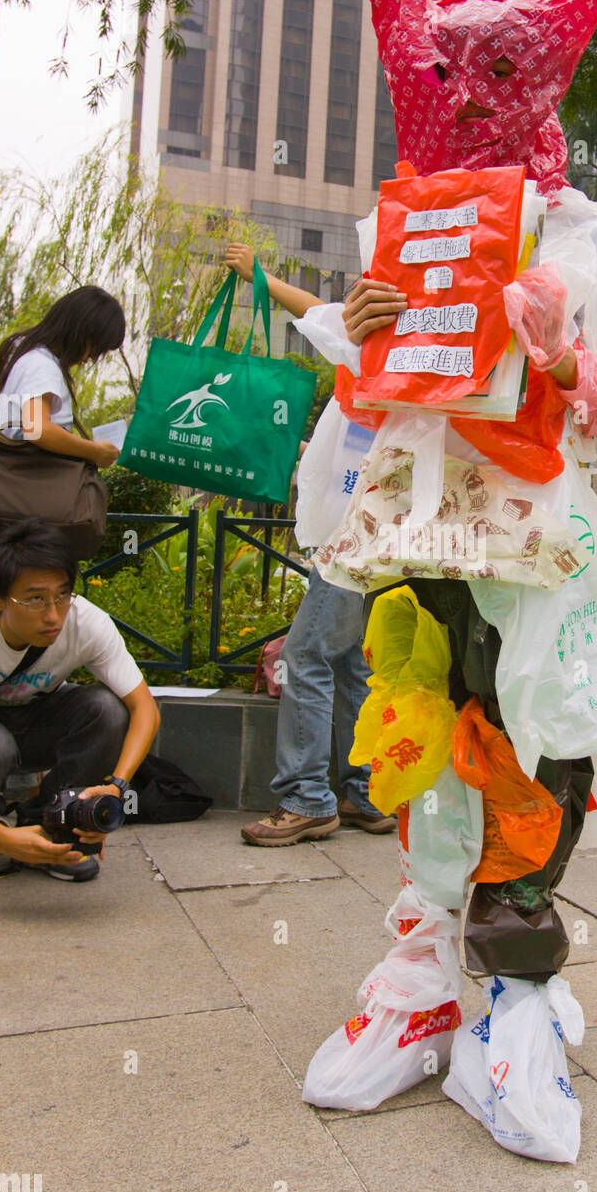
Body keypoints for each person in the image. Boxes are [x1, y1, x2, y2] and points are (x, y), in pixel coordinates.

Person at [295, 0, 597, 1159]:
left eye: (490, 70)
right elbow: (376, 388)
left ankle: (513, 980)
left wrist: (557, 345)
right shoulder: (392, 220)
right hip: (415, 530)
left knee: (536, 731)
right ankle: (423, 967)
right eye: (444, 70)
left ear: (533, 76)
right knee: (423, 719)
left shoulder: (579, 229)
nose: (464, 92)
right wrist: (359, 331)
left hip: (536, 538)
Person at [223, 244, 396, 844]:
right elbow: (315, 309)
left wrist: (259, 277)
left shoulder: (371, 346)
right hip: (382, 533)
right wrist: (260, 277)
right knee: (352, 662)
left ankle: (307, 798)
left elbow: (315, 311)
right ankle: (365, 793)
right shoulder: (422, 354)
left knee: (307, 655)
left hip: (353, 534)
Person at [0, 518, 160, 883]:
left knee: (107, 710)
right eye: (35, 599)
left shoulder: (87, 623)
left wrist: (116, 786)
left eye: (62, 595)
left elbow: (145, 710)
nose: (53, 614)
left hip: (40, 720)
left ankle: (55, 827)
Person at [0, 286, 126, 597]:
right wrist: (94, 452)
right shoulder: (43, 366)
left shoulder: (17, 351)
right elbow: (37, 429)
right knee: (29, 598)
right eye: (95, 347)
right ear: (81, 332)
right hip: (30, 518)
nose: (90, 358)